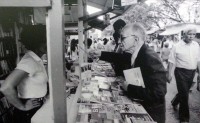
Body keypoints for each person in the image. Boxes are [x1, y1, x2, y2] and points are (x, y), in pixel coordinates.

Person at [0, 25, 48, 123]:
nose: (49, 44)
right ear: (38, 44)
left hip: (36, 107)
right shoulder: (29, 61)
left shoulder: (36, 59)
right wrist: (23, 107)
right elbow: (6, 87)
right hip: (29, 111)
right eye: (46, 41)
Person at [120, 23, 167, 123]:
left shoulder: (149, 57)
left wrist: (129, 87)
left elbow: (159, 93)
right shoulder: (136, 52)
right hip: (141, 106)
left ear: (136, 39)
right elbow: (118, 58)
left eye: (123, 38)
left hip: (151, 113)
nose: (120, 42)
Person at [168, 29, 200, 123]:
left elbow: (198, 60)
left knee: (184, 92)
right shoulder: (177, 46)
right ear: (184, 34)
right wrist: (169, 73)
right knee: (185, 95)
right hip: (180, 72)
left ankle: (174, 101)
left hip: (192, 72)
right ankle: (184, 119)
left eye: (194, 34)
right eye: (190, 34)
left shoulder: (196, 45)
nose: (192, 36)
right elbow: (171, 60)